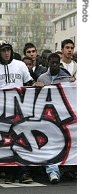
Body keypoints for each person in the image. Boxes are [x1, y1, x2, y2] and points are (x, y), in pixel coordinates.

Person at [0, 40, 43, 184]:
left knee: (23, 140)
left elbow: (28, 83)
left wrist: (35, 85)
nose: (6, 53)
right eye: (3, 50)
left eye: (8, 50)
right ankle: (10, 173)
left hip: (21, 109)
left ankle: (25, 173)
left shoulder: (20, 65)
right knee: (7, 142)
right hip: (3, 111)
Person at [37, 52, 76, 184]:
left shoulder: (66, 78)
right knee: (49, 145)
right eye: (52, 62)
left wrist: (73, 83)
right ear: (48, 63)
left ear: (59, 63)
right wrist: (38, 86)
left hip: (64, 117)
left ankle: (68, 169)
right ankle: (52, 171)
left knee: (66, 144)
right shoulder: (42, 78)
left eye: (56, 63)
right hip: (47, 118)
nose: (54, 65)